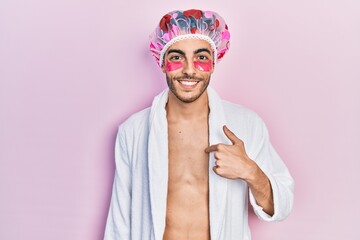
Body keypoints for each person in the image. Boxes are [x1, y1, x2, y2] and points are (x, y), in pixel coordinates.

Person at [104, 9, 294, 240]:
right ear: (163, 63)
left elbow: (282, 205)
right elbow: (120, 220)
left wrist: (251, 172)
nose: (190, 69)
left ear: (214, 63)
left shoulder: (246, 124)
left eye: (201, 58)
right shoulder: (133, 131)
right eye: (177, 57)